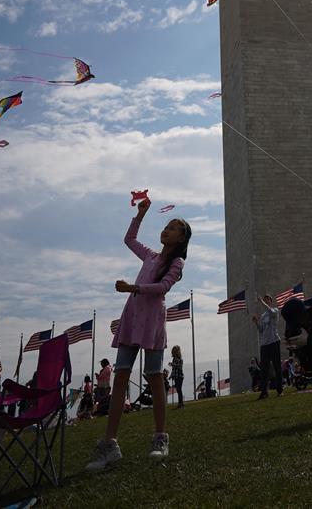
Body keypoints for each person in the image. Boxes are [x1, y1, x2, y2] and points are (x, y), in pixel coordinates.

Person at [85, 196, 192, 471]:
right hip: (133, 318)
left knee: (154, 377)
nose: (166, 229)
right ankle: (110, 443)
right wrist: (141, 214)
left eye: (173, 227)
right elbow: (129, 239)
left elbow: (164, 288)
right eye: (166, 225)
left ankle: (160, 438)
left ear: (181, 238)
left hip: (152, 322)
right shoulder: (150, 255)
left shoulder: (176, 262)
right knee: (121, 375)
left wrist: (133, 288)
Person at [252, 294, 283, 400]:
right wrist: (256, 322)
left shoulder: (274, 310)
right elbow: (261, 330)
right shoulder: (263, 315)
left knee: (277, 367)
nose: (265, 300)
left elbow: (270, 311)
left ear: (270, 301)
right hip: (264, 344)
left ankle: (280, 390)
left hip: (274, 341)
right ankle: (264, 392)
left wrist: (261, 302)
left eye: (267, 299)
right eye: (264, 299)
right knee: (264, 370)